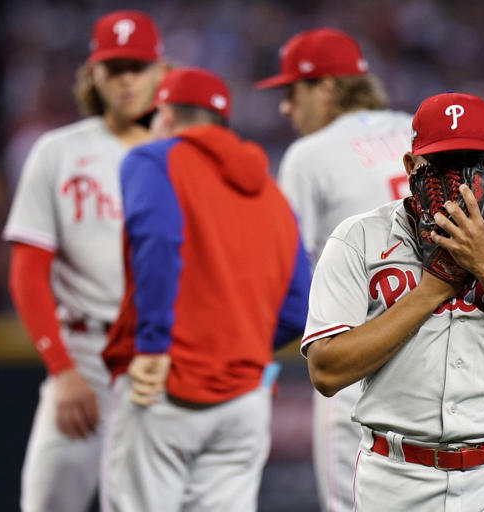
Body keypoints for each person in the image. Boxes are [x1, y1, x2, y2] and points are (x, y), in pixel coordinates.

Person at [257, 28, 484, 511]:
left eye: (293, 92)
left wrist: (266, 343)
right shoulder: (417, 128)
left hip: (363, 350)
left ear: (327, 88)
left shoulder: (309, 155)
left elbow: (284, 269)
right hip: (457, 341)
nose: (286, 108)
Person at [302, 92, 484, 510]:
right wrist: (433, 288)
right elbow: (326, 372)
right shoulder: (359, 237)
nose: (457, 179)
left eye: (470, 162)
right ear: (410, 166)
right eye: (441, 164)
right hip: (393, 475)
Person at [100, 67, 311, 512]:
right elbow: (297, 308)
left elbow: (157, 241)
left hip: (165, 382)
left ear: (167, 115)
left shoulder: (154, 160)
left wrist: (155, 345)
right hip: (246, 397)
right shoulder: (272, 192)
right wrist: (241, 348)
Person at [3, 10, 163, 512]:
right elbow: (29, 269)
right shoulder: (57, 151)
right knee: (47, 502)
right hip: (82, 357)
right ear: (92, 73)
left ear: (159, 71)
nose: (126, 80)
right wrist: (62, 369)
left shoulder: (182, 154)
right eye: (114, 67)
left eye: (137, 67)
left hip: (160, 361)